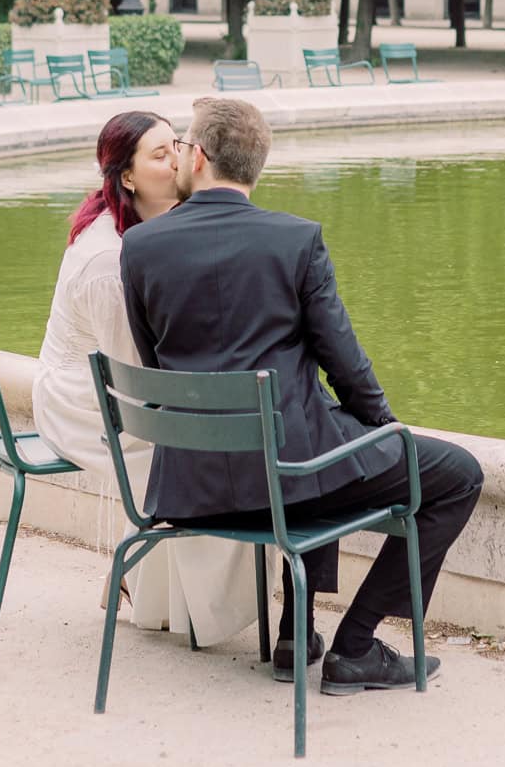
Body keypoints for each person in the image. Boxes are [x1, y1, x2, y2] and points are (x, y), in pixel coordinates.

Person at [121, 95, 483, 693]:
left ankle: (297, 630)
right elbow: (346, 363)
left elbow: (153, 362)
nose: (181, 156)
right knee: (452, 473)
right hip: (284, 476)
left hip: (188, 484)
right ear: (253, 166)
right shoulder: (295, 241)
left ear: (201, 158)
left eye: (183, 145)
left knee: (317, 433)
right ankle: (357, 644)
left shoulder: (141, 248)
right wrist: (386, 429)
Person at [33, 109, 262, 645]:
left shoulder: (150, 227)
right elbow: (134, 376)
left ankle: (156, 591)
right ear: (127, 177)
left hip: (114, 382)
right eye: (160, 155)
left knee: (215, 435)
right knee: (200, 448)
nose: (178, 159)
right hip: (83, 398)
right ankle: (156, 588)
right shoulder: (108, 261)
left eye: (177, 146)